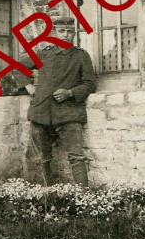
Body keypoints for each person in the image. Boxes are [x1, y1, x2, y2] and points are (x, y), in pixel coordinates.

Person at [22, 16, 97, 186]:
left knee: (76, 156)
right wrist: (28, 86)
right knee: (40, 158)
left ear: (74, 34)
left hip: (68, 112)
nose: (65, 35)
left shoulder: (81, 56)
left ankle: (83, 197)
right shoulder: (44, 54)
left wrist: (70, 92)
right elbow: (18, 68)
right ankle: (45, 196)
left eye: (69, 31)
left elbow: (90, 83)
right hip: (41, 112)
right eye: (61, 31)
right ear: (54, 33)